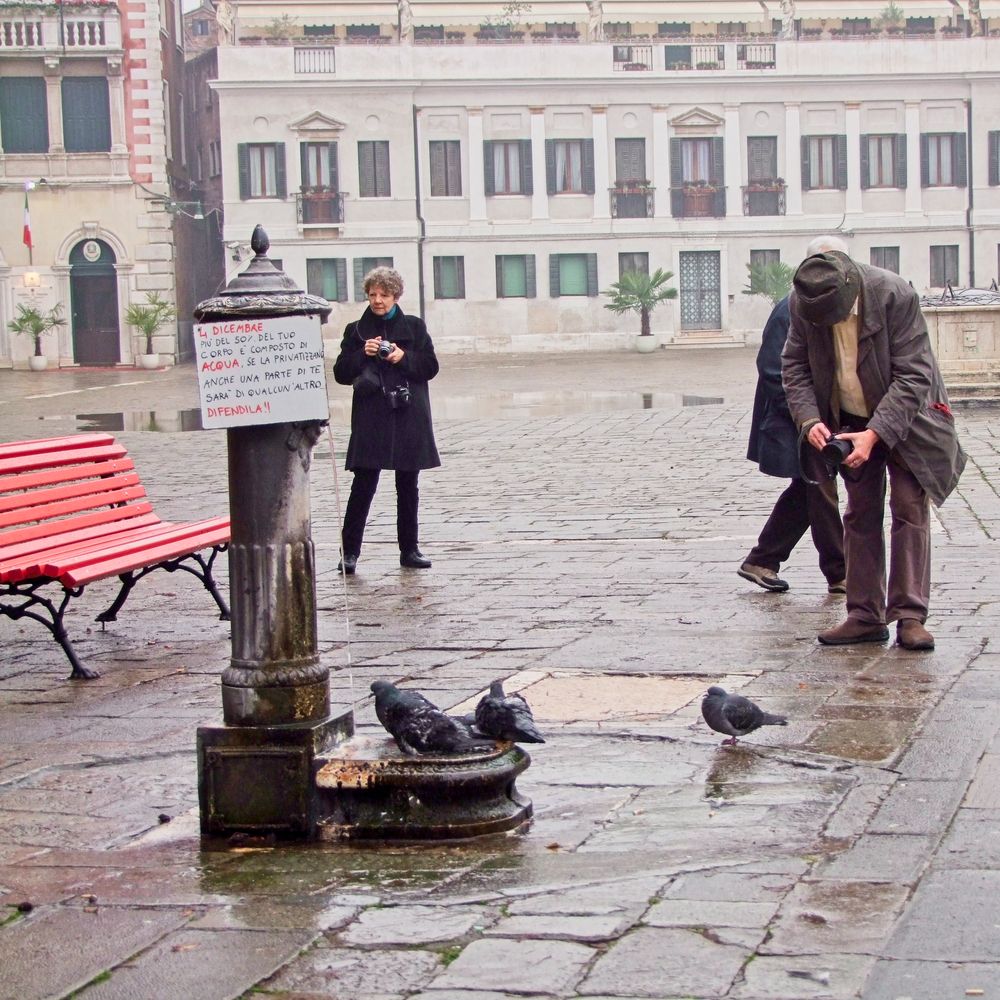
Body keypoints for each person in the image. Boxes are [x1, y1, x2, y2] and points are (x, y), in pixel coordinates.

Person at [782, 250, 967, 650]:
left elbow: (915, 374)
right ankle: (864, 615)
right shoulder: (805, 301)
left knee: (908, 508)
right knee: (860, 512)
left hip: (909, 418)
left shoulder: (893, 295)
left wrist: (877, 432)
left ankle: (910, 616)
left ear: (851, 290)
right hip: (848, 419)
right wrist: (810, 420)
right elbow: (794, 366)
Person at [738, 238, 847, 595]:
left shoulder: (828, 306)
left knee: (808, 491)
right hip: (795, 424)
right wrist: (807, 419)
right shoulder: (789, 309)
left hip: (813, 421)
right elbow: (772, 370)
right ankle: (840, 573)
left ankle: (763, 558)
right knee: (819, 490)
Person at [332, 267, 440, 574]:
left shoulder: (415, 328)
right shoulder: (355, 330)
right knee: (363, 484)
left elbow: (430, 367)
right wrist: (363, 354)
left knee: (408, 485)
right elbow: (341, 373)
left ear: (395, 296)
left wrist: (401, 357)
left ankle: (410, 550)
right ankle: (349, 553)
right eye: (373, 294)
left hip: (408, 414)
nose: (378, 301)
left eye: (384, 295)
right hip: (372, 417)